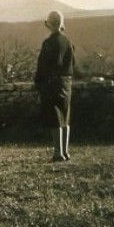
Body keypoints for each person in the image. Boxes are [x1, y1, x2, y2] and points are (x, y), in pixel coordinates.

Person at [34, 11, 76, 161]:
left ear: (49, 24)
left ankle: (58, 153)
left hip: (51, 83)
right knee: (65, 117)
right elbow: (73, 64)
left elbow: (42, 66)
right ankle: (65, 152)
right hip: (67, 83)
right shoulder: (68, 42)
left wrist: (38, 83)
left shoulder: (49, 43)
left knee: (54, 119)